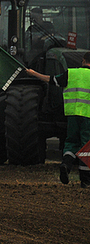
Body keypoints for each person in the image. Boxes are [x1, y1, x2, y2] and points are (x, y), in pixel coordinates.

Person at [26, 51, 90, 188]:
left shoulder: (71, 73)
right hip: (88, 117)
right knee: (86, 147)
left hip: (72, 114)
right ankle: (85, 181)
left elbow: (52, 80)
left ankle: (66, 165)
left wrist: (33, 73)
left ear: (83, 61)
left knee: (71, 142)